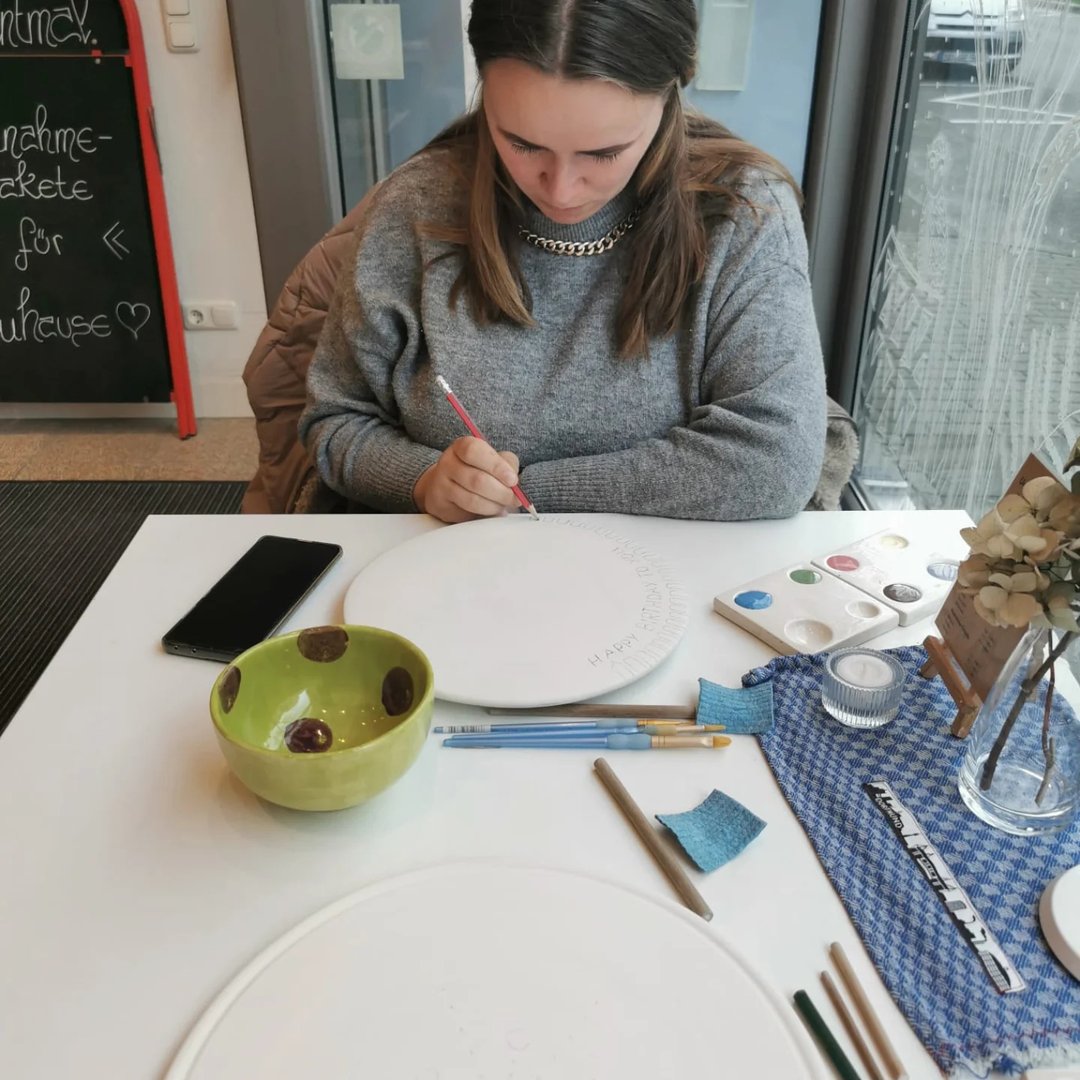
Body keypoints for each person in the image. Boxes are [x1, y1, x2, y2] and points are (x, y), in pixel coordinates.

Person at [300, 0, 827, 524]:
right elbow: (335, 419)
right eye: (522, 144)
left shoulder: (746, 211)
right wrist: (423, 480)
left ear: (670, 95)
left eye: (603, 153)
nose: (562, 190)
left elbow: (776, 462)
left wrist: (527, 493)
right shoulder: (415, 206)